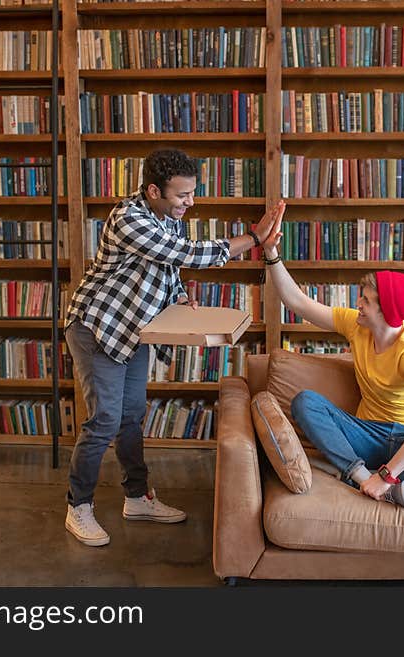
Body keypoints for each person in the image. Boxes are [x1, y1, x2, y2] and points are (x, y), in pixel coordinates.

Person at [64, 148, 284, 546]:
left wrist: (179, 296)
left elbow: (168, 268)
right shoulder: (129, 218)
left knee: (131, 417)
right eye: (182, 195)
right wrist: (253, 238)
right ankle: (78, 506)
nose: (190, 202)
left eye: (192, 193)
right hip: (98, 327)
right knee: (105, 422)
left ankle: (137, 497)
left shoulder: (168, 218)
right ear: (153, 191)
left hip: (135, 329)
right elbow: (184, 255)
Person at [260, 222, 404, 509]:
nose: (358, 303)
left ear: (387, 313)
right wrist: (271, 252)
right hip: (365, 434)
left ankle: (383, 482)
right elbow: (298, 302)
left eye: (366, 301)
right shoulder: (357, 326)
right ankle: (362, 478)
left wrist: (387, 473)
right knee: (306, 402)